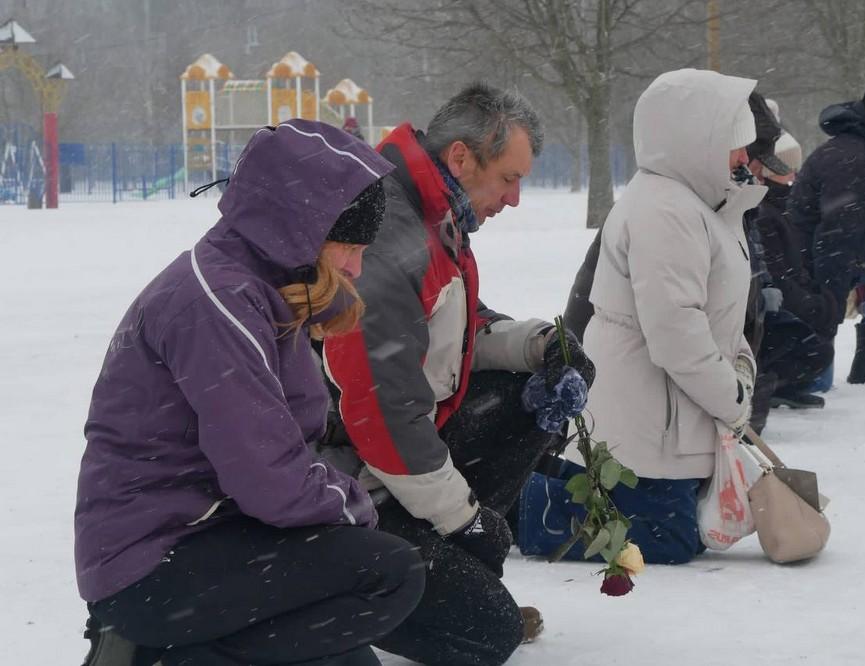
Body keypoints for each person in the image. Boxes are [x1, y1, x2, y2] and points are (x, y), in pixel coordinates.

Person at [75, 119, 425, 666]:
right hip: (152, 562)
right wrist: (354, 504)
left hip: (215, 536)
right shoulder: (217, 303)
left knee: (351, 650)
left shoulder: (261, 286)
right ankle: (155, 657)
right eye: (349, 247)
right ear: (302, 231)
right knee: (388, 575)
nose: (357, 266)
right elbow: (269, 480)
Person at [320, 83, 594, 666]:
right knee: (486, 636)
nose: (515, 199)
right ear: (462, 158)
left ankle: (444, 572)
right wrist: (465, 520)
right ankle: (307, 601)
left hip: (381, 460)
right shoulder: (392, 231)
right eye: (509, 178)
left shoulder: (431, 210)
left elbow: (454, 323)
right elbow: (382, 414)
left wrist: (543, 348)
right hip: (340, 482)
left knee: (530, 394)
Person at [524, 69, 766, 564]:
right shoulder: (666, 211)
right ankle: (521, 511)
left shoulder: (704, 205)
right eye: (734, 144)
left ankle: (533, 498)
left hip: (673, 414)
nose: (745, 157)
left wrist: (739, 364)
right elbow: (675, 331)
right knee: (668, 538)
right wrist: (732, 397)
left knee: (675, 531)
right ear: (697, 140)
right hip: (645, 418)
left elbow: (719, 312)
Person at [787, 82, 865, 384]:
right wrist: (829, 308)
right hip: (808, 271)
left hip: (834, 260)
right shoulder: (852, 161)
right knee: (816, 383)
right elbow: (834, 242)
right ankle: (798, 366)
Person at [748, 129, 836, 423]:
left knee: (817, 347)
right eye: (789, 172)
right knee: (813, 349)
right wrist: (812, 304)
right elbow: (777, 273)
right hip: (775, 303)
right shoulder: (766, 212)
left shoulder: (782, 207)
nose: (794, 178)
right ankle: (772, 382)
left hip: (785, 297)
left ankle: (779, 383)